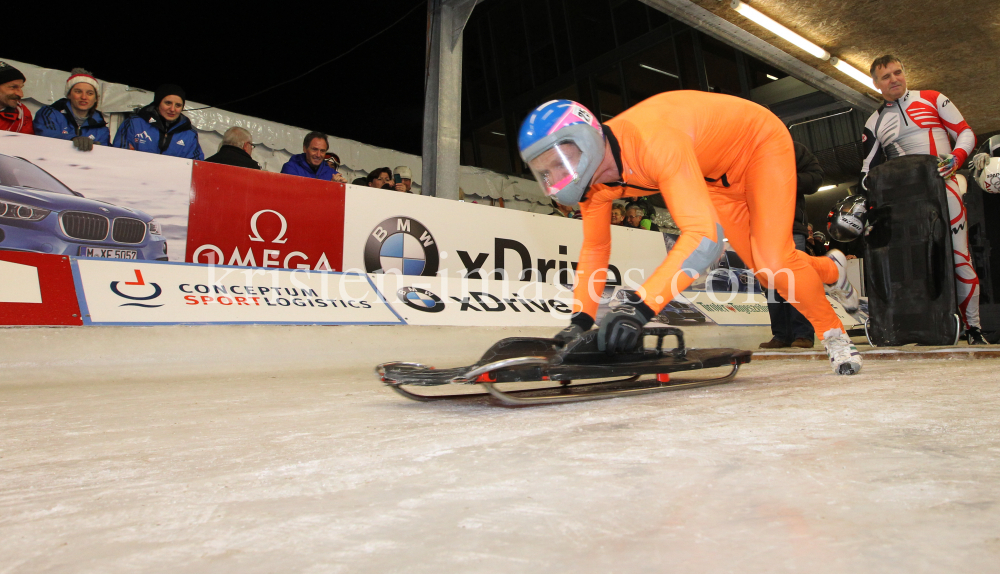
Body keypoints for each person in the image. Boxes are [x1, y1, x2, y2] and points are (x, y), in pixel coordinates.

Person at [518, 95, 862, 375]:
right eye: (545, 171)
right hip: (714, 178)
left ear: (584, 140)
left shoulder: (652, 140)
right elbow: (595, 249)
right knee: (768, 270)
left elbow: (704, 240)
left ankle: (834, 335)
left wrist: (639, 309)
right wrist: (580, 321)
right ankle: (832, 271)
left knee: (774, 262)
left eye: (560, 161)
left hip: (759, 145)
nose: (557, 176)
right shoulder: (595, 186)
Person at [860, 55, 986, 345]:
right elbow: (867, 171)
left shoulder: (933, 98)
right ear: (876, 84)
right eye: (886, 76)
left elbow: (965, 132)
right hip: (904, 205)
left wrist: (956, 158)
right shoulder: (874, 121)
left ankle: (973, 328)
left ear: (905, 73)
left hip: (946, 186)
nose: (894, 79)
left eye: (897, 72)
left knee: (959, 258)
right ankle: (906, 327)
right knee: (908, 265)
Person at [760, 142, 823, 349]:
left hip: (791, 225)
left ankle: (803, 333)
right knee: (771, 283)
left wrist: (786, 179)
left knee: (795, 280)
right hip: (761, 227)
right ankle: (781, 334)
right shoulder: (742, 150)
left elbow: (816, 177)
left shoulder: (792, 148)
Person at [113, 84, 204, 159]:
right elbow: (118, 157)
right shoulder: (133, 124)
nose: (172, 109)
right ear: (158, 103)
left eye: (178, 105)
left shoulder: (190, 135)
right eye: (168, 103)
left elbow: (196, 167)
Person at [33, 69, 108, 151]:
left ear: (96, 98)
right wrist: (73, 138)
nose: (83, 97)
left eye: (90, 93)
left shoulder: (101, 126)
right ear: (69, 94)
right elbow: (45, 135)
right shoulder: (49, 113)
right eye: (78, 91)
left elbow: (106, 154)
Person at [0, 62, 33, 134]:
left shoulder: (22, 112)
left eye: (20, 88)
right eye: (13, 87)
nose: (21, 94)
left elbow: (26, 143)